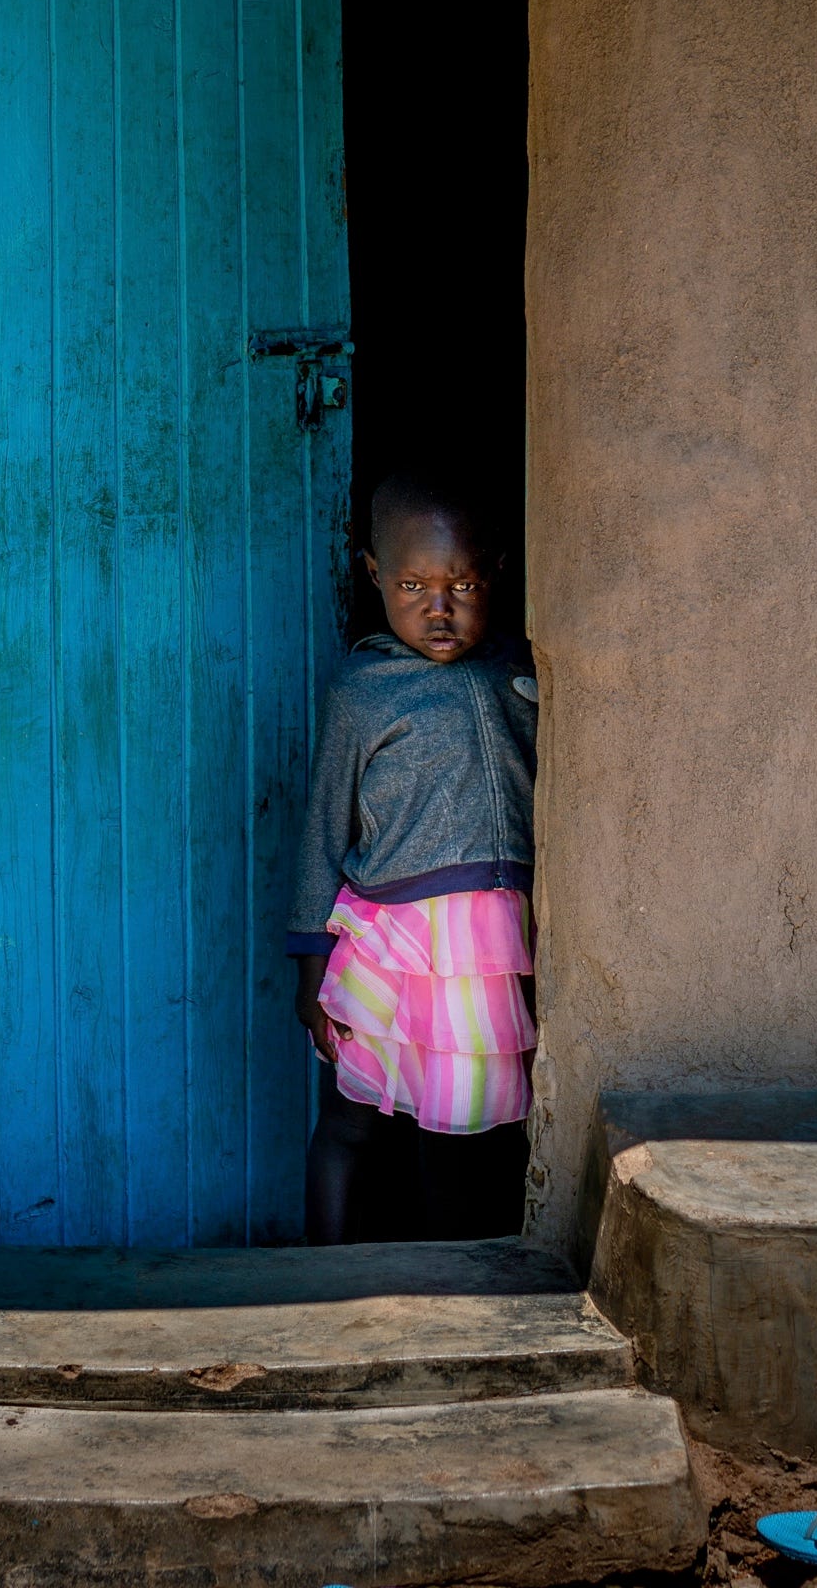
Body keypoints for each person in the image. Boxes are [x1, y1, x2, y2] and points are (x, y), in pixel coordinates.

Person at [290, 472, 537, 1243]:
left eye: (462, 583)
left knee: (456, 1137)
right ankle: (321, 1278)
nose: (439, 608)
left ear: (495, 570)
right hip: (389, 945)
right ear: (372, 574)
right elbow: (323, 830)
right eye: (412, 584)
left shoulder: (518, 671)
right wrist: (309, 970)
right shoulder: (363, 690)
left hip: (484, 954)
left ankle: (443, 1298)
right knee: (351, 1122)